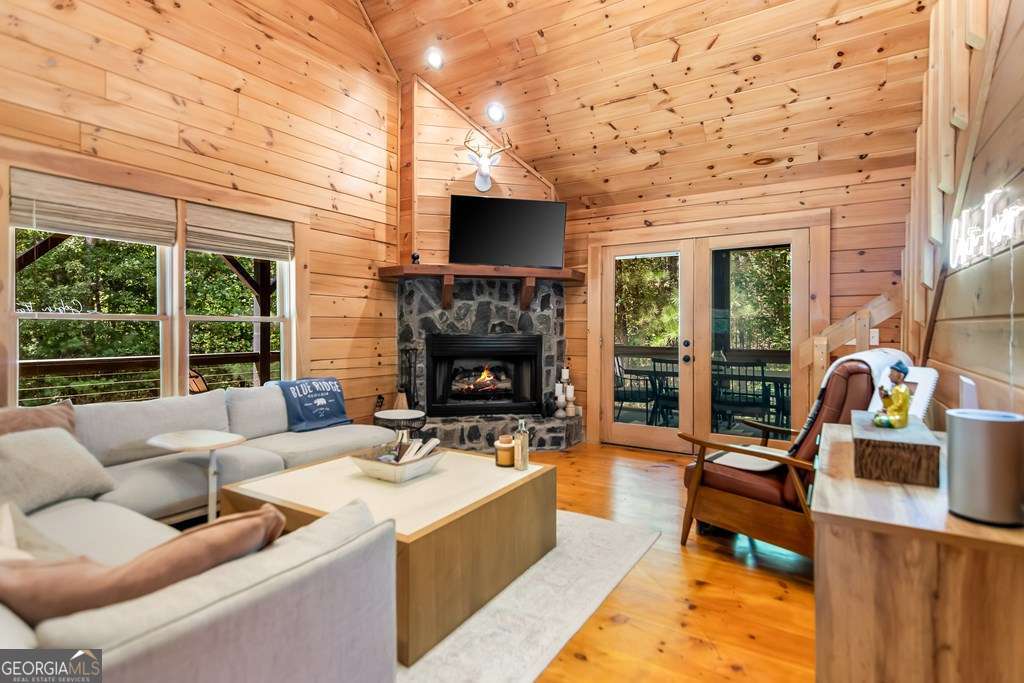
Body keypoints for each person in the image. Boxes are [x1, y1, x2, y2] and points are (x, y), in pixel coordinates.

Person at [873, 360, 911, 428]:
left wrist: (887, 411)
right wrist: (885, 396)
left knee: (878, 420)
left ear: (901, 376)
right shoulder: (896, 388)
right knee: (877, 415)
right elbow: (891, 404)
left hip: (898, 418)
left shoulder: (902, 390)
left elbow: (898, 405)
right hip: (893, 414)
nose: (889, 376)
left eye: (892, 373)